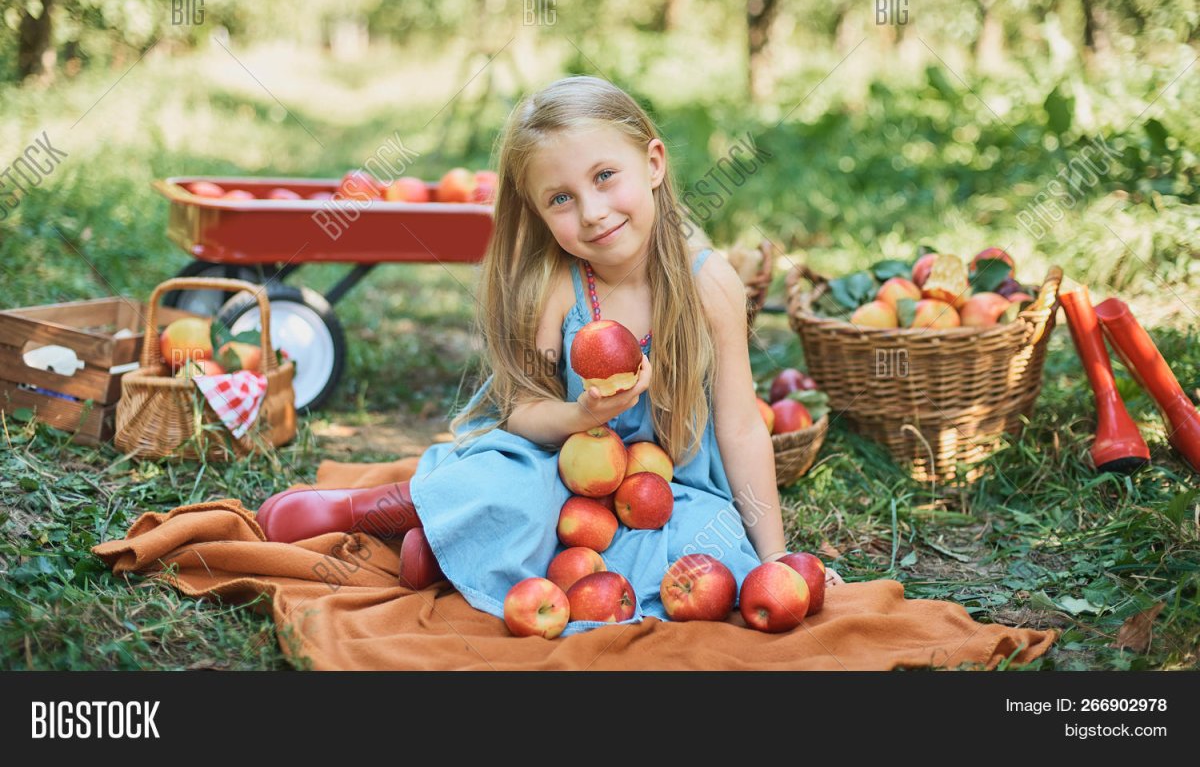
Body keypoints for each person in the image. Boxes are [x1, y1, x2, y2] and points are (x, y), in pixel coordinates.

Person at [257, 75, 841, 634]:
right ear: (537, 212)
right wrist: (583, 415)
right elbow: (523, 414)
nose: (592, 211)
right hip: (552, 458)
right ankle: (371, 510)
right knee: (507, 492)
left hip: (665, 487)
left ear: (654, 164)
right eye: (561, 198)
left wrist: (776, 557)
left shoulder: (710, 285)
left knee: (710, 554)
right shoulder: (559, 286)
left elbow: (740, 427)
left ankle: (450, 548)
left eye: (606, 176)